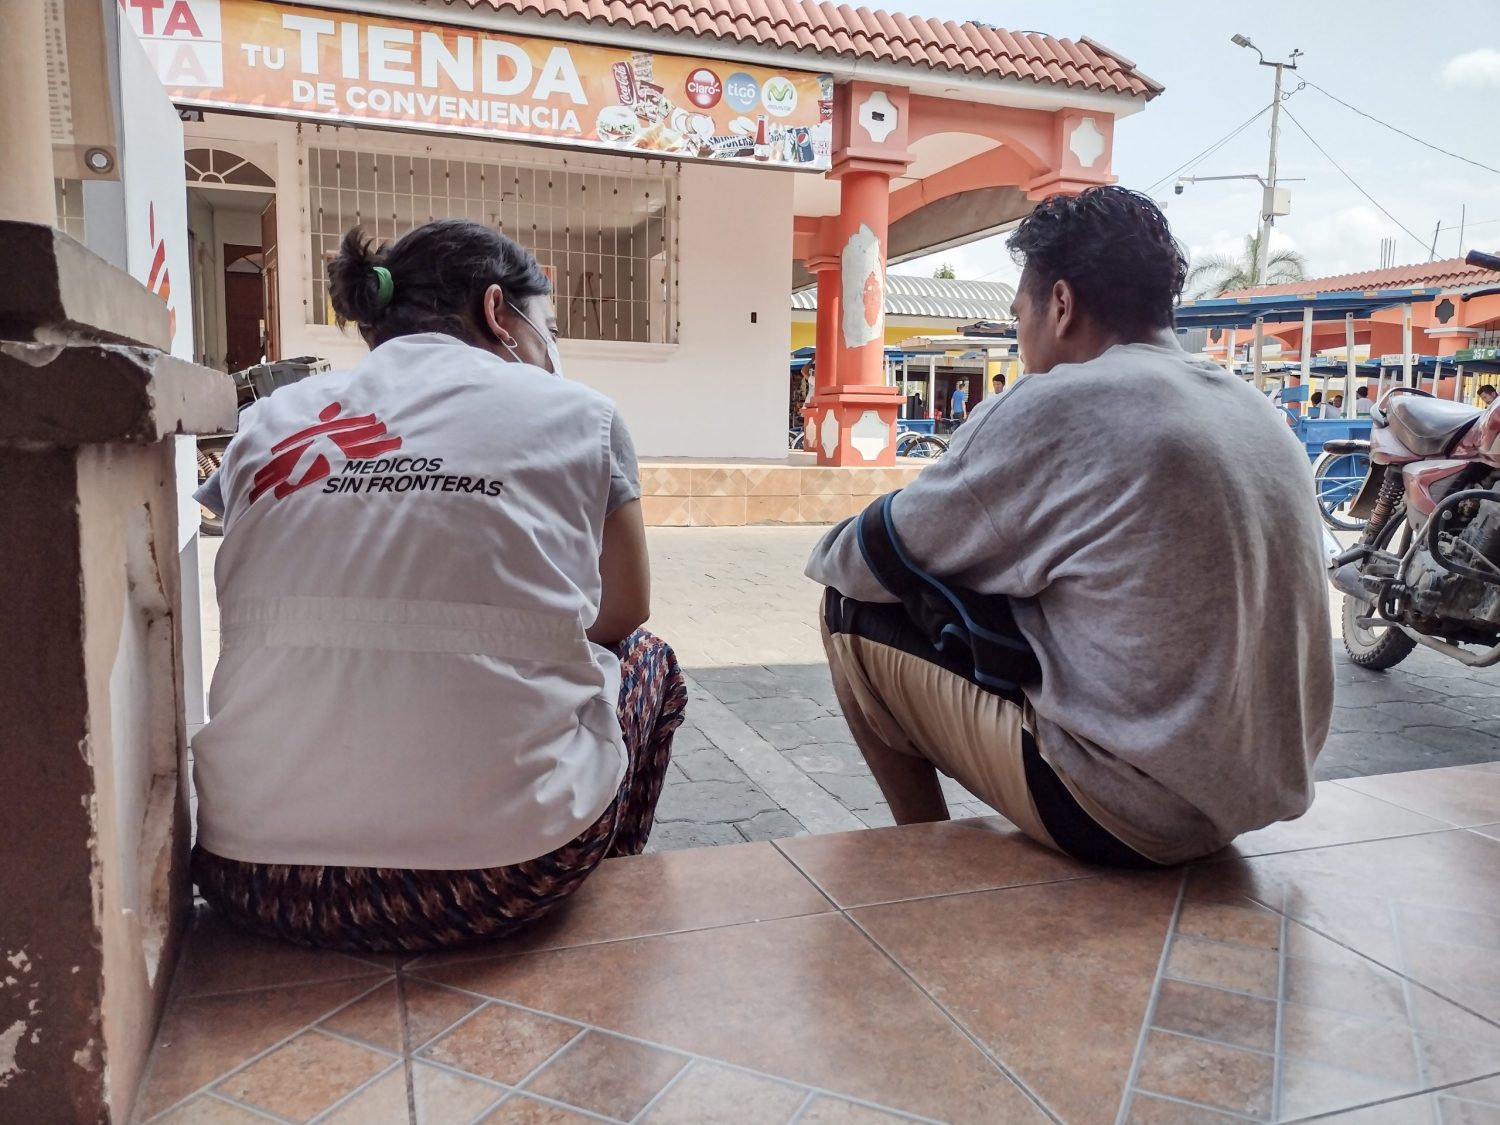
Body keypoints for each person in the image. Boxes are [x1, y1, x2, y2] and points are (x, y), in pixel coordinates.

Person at [192, 219, 686, 951]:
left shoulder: (269, 421)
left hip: (254, 876)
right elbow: (623, 612)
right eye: (542, 325)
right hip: (496, 878)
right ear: (497, 311)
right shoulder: (581, 415)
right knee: (649, 660)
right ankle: (605, 890)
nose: (547, 347)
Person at [805, 186, 1333, 867]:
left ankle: (920, 853)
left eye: (1019, 316)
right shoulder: (1258, 411)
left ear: (1060, 304)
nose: (1023, 341)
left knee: (845, 610)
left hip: (1127, 811)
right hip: (1253, 796)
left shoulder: (1059, 401)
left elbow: (854, 560)